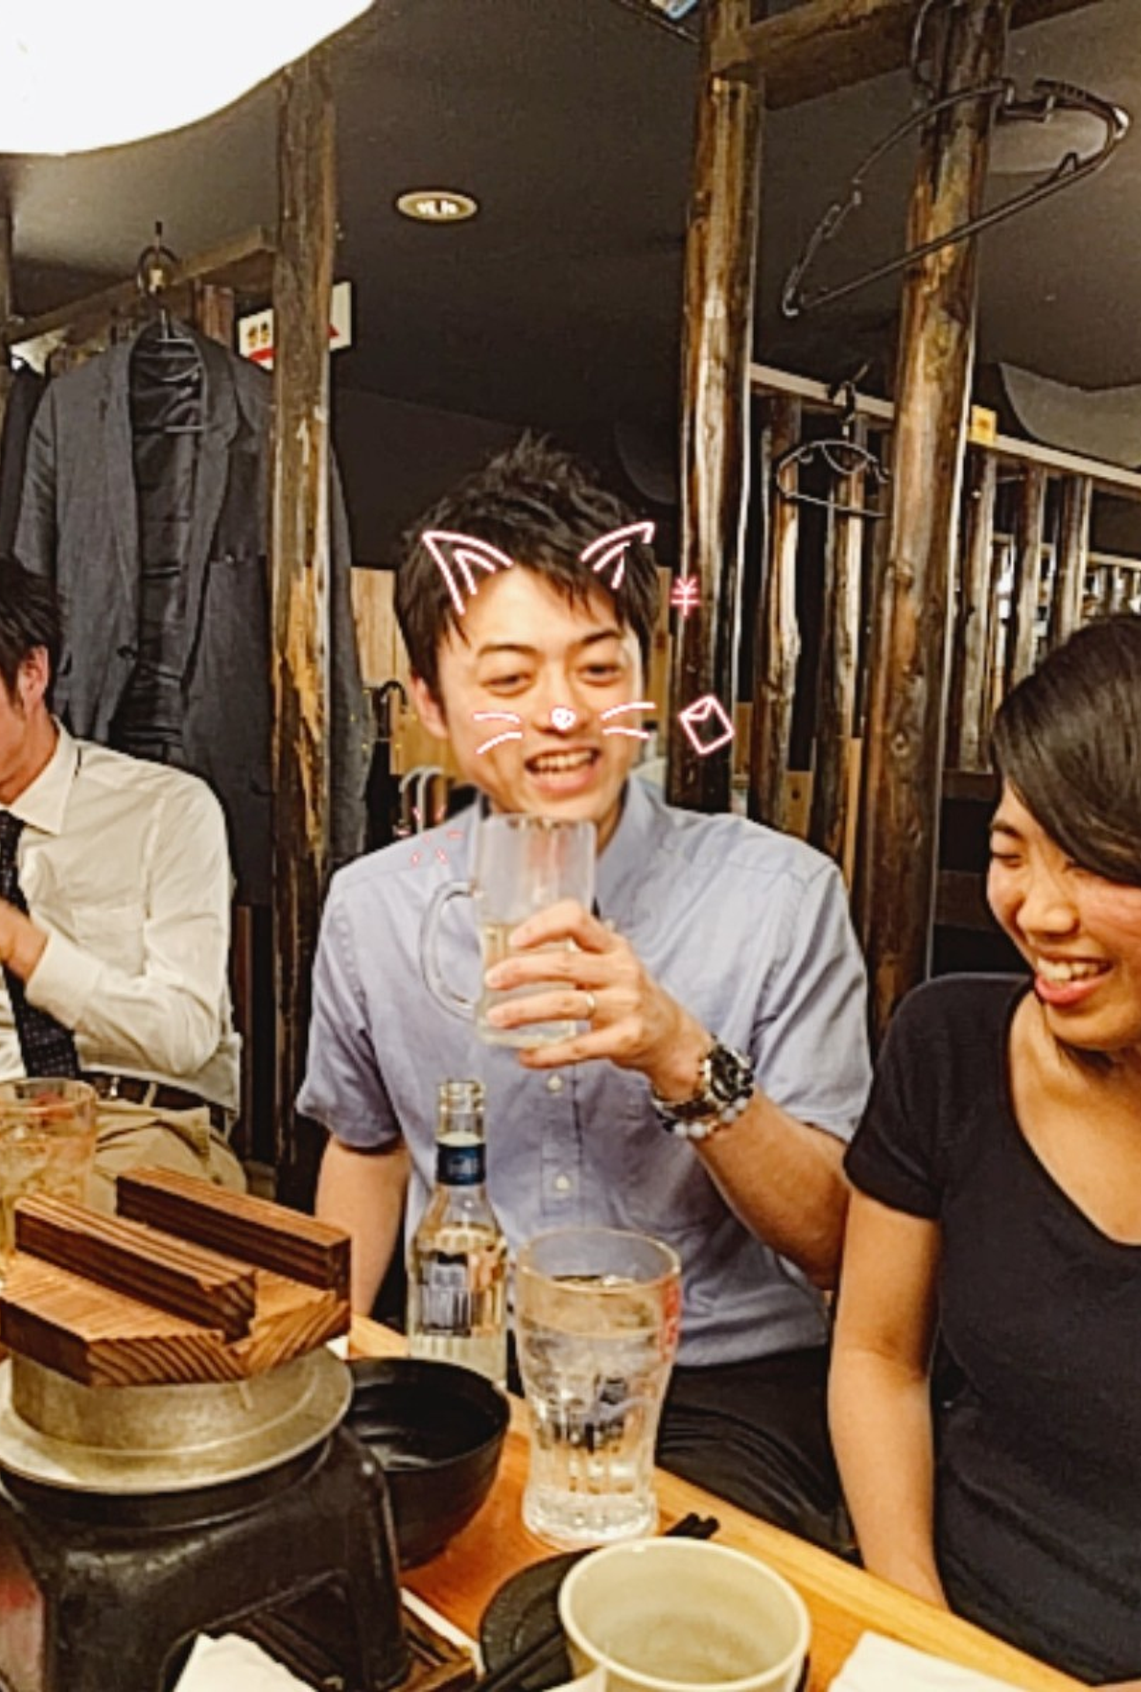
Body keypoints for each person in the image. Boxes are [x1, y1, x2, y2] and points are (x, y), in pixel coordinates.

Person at [300, 438, 871, 1547]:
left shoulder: (780, 894)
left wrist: (676, 1051)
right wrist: (324, 1357)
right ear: (431, 701)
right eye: (511, 680)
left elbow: (833, 1238)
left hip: (716, 1380)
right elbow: (366, 1150)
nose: (563, 715)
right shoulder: (375, 908)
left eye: (600, 670)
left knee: (649, 1602)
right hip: (469, 1357)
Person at [831, 599, 1141, 1685]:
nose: (1038, 911)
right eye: (1013, 852)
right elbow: (876, 1357)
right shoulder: (950, 1047)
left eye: (1095, 861)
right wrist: (921, 1635)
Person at [0, 546, 244, 1200]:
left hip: (146, 1118)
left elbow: (185, 1038)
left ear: (31, 673)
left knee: (52, 1235)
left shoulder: (169, 810)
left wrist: (10, 935)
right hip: (0, 1122)